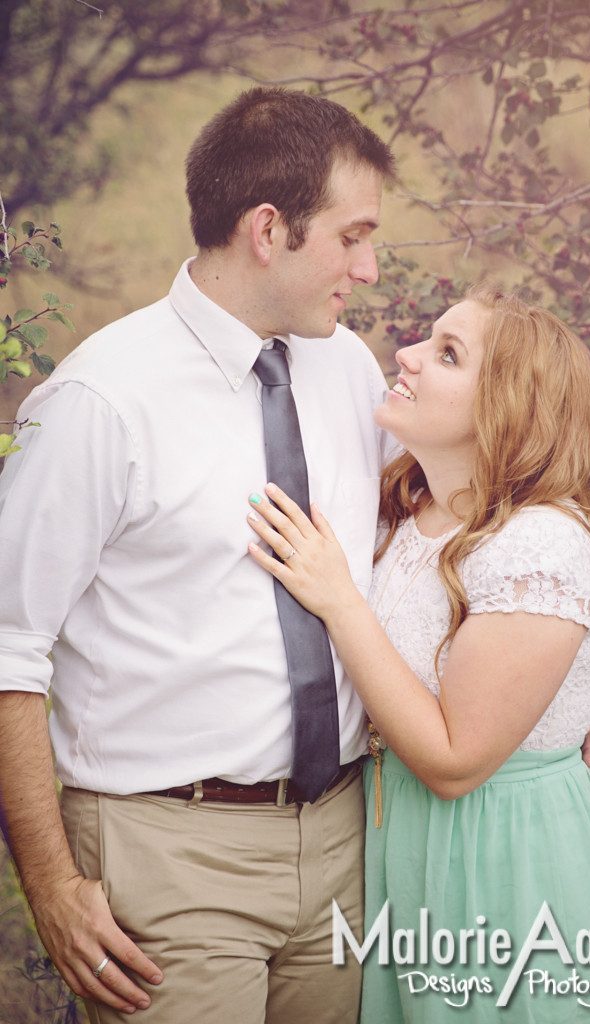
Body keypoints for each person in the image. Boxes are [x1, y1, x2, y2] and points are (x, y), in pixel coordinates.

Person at [0, 87, 397, 1024]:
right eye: (351, 236)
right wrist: (51, 884)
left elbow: (414, 548)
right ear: (269, 229)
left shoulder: (348, 365)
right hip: (166, 852)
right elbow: (8, 648)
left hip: (345, 837)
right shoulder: (100, 400)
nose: (371, 269)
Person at [245, 287, 590, 1023]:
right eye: (429, 340)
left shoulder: (541, 547)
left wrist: (337, 598)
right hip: (400, 838)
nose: (407, 355)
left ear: (506, 409)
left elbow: (457, 761)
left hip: (503, 855)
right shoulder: (414, 503)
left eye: (447, 354)